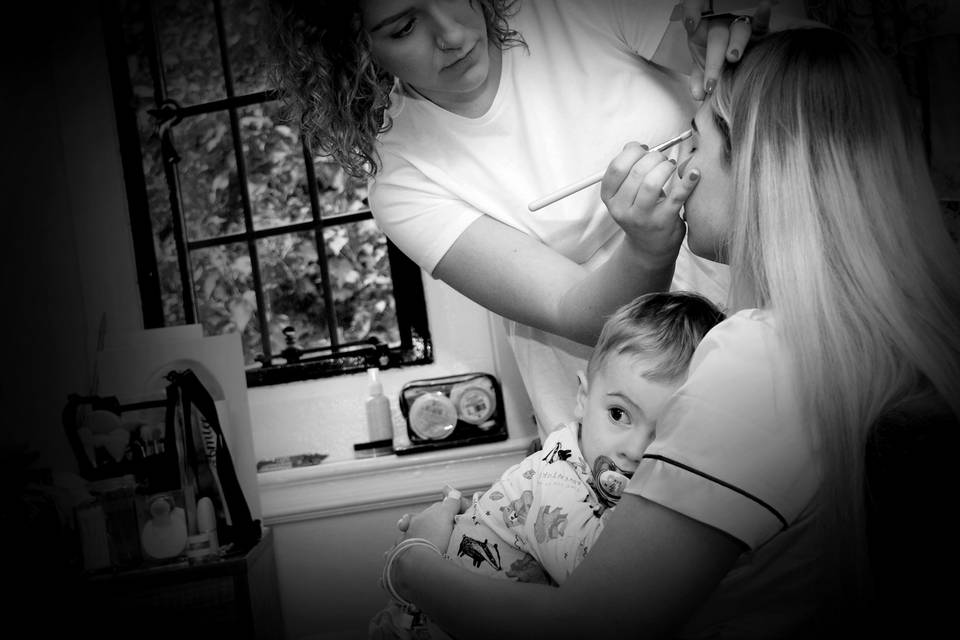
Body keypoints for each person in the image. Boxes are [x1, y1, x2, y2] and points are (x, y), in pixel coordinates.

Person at [379, 26, 960, 639]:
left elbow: (589, 629)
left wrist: (412, 563)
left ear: (759, 165)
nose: (681, 163)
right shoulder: (884, 338)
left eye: (695, 136)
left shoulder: (759, 357)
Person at [265, 0, 809, 441]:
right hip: (615, 382)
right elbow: (580, 312)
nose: (453, 33)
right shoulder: (404, 181)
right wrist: (646, 249)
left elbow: (759, 67)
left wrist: (734, 34)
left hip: (761, 299)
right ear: (355, 49)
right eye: (404, 26)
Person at [371, 291, 725, 639]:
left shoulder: (596, 474)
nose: (635, 450)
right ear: (583, 398)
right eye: (618, 414)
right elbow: (607, 588)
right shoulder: (556, 480)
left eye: (666, 429)